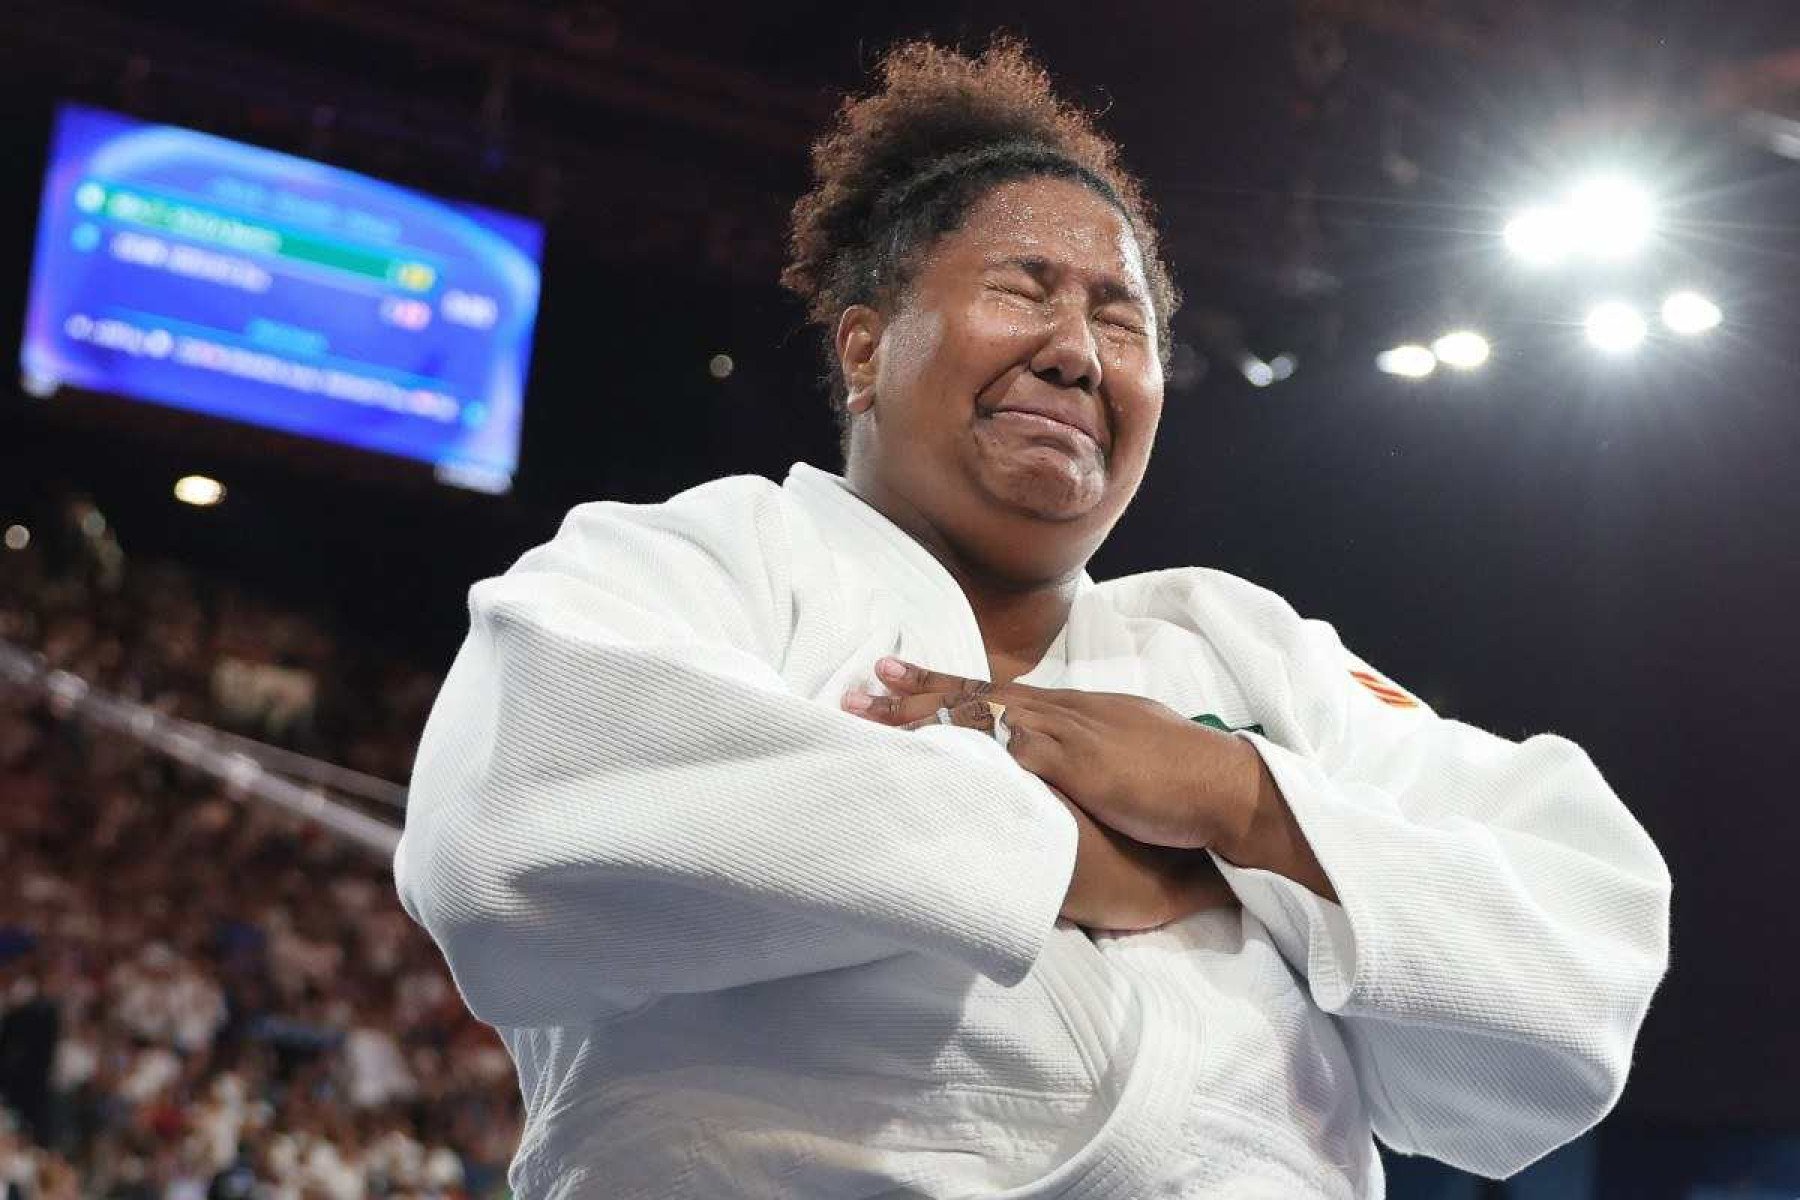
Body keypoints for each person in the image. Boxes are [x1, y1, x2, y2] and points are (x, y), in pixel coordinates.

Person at [395, 38, 1671, 1199]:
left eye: (1124, 321)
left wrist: (1237, 799)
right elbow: (508, 833)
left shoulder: (1237, 649)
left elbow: (1583, 955)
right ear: (862, 347)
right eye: (1027, 287)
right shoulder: (713, 559)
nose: (1079, 351)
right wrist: (1098, 858)